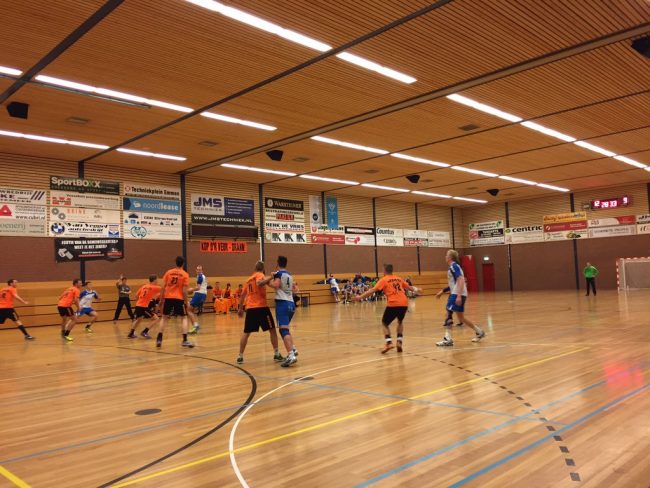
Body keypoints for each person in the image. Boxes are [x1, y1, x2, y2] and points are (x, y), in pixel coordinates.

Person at [354, 264, 418, 353]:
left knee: (384, 323)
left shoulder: (384, 280)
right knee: (400, 321)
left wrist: (360, 297)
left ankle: (389, 343)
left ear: (384, 271)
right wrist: (418, 289)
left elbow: (372, 290)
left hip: (393, 303)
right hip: (404, 303)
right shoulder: (399, 278)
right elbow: (410, 288)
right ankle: (399, 342)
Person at [236, 261, 283, 364]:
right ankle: (276, 353)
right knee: (272, 330)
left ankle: (240, 356)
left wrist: (240, 309)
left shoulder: (249, 280)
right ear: (263, 269)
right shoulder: (260, 275)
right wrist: (271, 277)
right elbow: (259, 283)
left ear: (255, 268)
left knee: (246, 333)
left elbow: (242, 295)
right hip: (261, 308)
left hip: (250, 308)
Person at [435, 249, 485, 347]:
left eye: (446, 255)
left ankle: (448, 339)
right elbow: (454, 283)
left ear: (450, 257)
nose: (445, 257)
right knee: (461, 317)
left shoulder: (454, 266)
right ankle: (479, 332)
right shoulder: (453, 267)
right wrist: (442, 291)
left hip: (457, 294)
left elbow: (461, 279)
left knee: (448, 313)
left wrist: (458, 295)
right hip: (459, 293)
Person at [156, 256, 194, 348]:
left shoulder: (168, 272)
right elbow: (184, 291)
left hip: (168, 298)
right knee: (184, 318)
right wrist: (186, 302)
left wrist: (161, 300)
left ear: (175, 262)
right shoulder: (185, 274)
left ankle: (159, 339)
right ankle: (185, 340)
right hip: (179, 299)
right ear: (183, 263)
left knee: (164, 318)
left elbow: (163, 287)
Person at [269, 256, 299, 367]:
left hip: (282, 303)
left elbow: (275, 285)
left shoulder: (279, 274)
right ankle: (293, 349)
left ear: (277, 263)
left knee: (283, 330)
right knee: (285, 329)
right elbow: (295, 290)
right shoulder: (289, 275)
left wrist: (267, 281)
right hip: (291, 304)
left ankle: (291, 355)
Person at [128, 275, 161, 339]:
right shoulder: (155, 287)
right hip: (143, 307)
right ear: (154, 280)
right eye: (157, 280)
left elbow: (136, 296)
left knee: (139, 319)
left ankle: (131, 333)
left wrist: (140, 301)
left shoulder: (144, 286)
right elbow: (165, 290)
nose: (158, 281)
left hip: (138, 305)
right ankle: (145, 332)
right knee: (156, 319)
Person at [188, 265, 208, 334]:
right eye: (197, 269)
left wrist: (191, 290)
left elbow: (198, 288)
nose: (199, 271)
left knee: (189, 310)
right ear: (196, 270)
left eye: (200, 270)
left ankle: (195, 326)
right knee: (192, 311)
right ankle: (195, 326)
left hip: (199, 294)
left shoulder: (200, 277)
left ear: (202, 270)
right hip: (202, 295)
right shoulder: (203, 276)